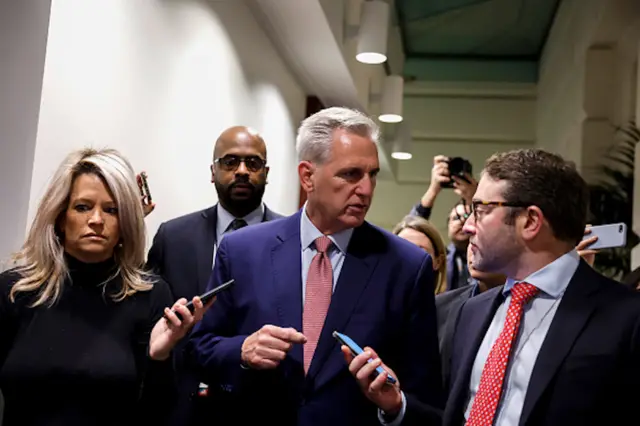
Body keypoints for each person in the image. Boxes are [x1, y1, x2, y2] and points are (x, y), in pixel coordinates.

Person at [188, 107, 443, 425]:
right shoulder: (241, 251)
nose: (365, 190)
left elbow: (427, 397)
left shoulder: (406, 267)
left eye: (372, 175)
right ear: (308, 176)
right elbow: (199, 348)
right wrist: (242, 350)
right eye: (351, 174)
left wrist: (394, 405)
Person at [0, 148, 208, 426]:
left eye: (111, 210)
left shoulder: (150, 295)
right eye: (83, 207)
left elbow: (158, 413)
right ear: (61, 218)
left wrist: (159, 358)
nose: (97, 220)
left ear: (126, 223)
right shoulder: (15, 290)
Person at [443, 149, 640, 426]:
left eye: (482, 210)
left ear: (531, 221)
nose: (469, 226)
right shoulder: (470, 312)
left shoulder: (626, 318)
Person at [146, 125, 283, 425]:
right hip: (182, 405)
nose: (243, 171)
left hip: (262, 405)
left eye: (253, 163)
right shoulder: (173, 237)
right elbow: (148, 316)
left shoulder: (291, 241)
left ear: (266, 172)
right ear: (213, 170)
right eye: (230, 162)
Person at [392, 215, 447, 294]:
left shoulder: (450, 305)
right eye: (402, 250)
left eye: (419, 252)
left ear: (438, 262)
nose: (409, 258)